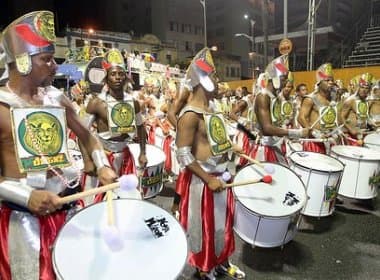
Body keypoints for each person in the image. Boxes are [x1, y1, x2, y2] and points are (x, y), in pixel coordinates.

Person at [0, 11, 118, 279]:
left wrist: (102, 165)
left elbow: (88, 136)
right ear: (22, 61)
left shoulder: (57, 99)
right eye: (47, 59)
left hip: (67, 212)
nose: (55, 66)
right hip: (23, 222)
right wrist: (25, 196)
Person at [175, 47, 245, 280]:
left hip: (222, 176)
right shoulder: (190, 115)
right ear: (203, 80)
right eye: (214, 76)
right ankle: (204, 269)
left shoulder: (212, 109)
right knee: (202, 228)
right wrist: (208, 178)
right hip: (203, 181)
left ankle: (222, 261)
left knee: (222, 226)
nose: (218, 81)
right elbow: (183, 154)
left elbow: (216, 141)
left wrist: (231, 147)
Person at [85, 48, 147, 200]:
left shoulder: (133, 102)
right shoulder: (96, 103)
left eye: (121, 74)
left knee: (127, 199)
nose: (118, 77)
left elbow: (140, 127)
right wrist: (88, 160)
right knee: (99, 201)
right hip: (103, 157)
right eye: (113, 74)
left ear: (126, 77)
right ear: (106, 78)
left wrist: (143, 152)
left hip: (125, 156)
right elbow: (83, 133)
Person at [252, 55, 308, 163]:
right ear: (274, 78)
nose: (285, 83)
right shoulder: (263, 97)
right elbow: (267, 128)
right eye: (283, 79)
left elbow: (277, 122)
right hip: (266, 149)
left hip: (276, 145)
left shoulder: (275, 97)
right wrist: (296, 133)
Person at [297, 63, 338, 154]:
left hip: (330, 140)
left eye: (332, 80)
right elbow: (300, 118)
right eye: (327, 80)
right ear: (319, 83)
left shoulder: (332, 99)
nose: (330, 82)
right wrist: (314, 133)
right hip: (315, 143)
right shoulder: (310, 98)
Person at [339, 73, 373, 145]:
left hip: (363, 134)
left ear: (369, 90)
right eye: (362, 87)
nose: (364, 90)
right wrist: (350, 129)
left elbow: (365, 117)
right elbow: (341, 117)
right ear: (358, 87)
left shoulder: (366, 101)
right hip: (351, 136)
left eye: (366, 88)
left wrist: (374, 126)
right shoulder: (350, 100)